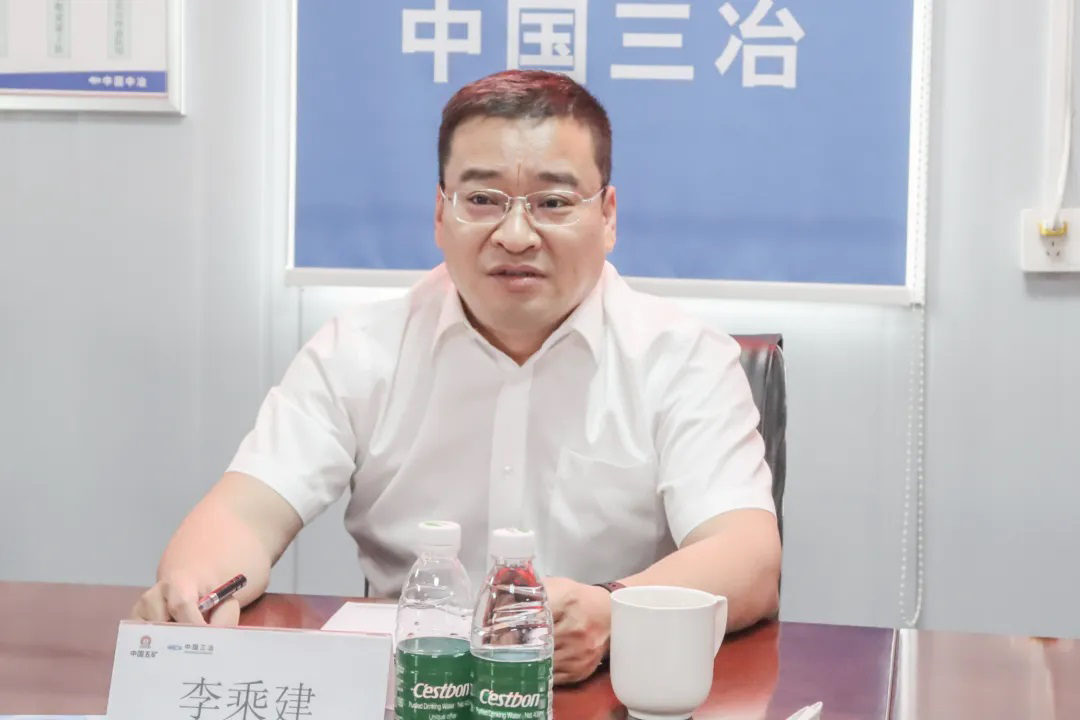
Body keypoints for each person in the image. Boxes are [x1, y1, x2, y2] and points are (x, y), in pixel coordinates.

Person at [132, 69, 782, 685]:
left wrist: (614, 610)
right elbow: (244, 516)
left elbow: (747, 556)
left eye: (553, 202)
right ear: (441, 214)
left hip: (606, 689)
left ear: (608, 215)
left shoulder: (683, 358)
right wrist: (193, 586)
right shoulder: (359, 351)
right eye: (482, 200)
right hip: (416, 689)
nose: (516, 235)